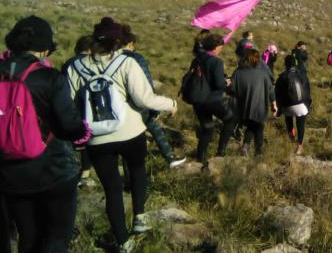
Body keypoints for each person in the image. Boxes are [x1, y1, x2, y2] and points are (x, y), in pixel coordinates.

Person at [66, 17, 177, 253]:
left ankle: (122, 240)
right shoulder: (126, 63)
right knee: (137, 173)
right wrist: (171, 103)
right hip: (131, 132)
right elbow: (144, 99)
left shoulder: (75, 67)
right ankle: (139, 218)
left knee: (112, 189)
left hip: (96, 138)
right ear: (118, 40)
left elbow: (69, 105)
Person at [0, 16, 90, 253]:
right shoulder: (49, 78)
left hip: (9, 174)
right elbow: (70, 126)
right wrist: (83, 135)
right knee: (56, 237)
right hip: (53, 172)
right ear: (44, 48)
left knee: (27, 238)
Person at [120, 26, 186, 168]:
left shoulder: (110, 59)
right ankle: (170, 157)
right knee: (152, 125)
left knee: (127, 141)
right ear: (131, 43)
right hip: (138, 104)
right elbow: (147, 84)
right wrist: (155, 108)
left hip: (118, 107)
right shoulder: (136, 58)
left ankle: (128, 179)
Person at [187, 33, 237, 163]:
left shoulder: (197, 59)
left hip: (197, 100)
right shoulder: (216, 62)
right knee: (230, 120)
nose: (221, 49)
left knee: (207, 128)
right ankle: (221, 154)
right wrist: (227, 82)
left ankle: (200, 158)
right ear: (216, 47)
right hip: (212, 100)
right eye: (221, 46)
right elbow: (219, 85)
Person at [61, 35, 95, 184]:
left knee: (74, 139)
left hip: (73, 105)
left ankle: (73, 170)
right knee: (89, 137)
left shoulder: (69, 64)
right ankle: (86, 171)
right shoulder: (94, 62)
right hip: (92, 105)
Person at [230, 49, 276, 156]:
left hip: (244, 107)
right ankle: (258, 153)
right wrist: (274, 103)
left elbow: (232, 90)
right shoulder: (262, 73)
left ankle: (245, 146)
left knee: (251, 125)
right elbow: (270, 90)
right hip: (260, 106)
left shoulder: (238, 72)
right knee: (259, 127)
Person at [275, 55, 312, 155]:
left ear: (285, 64)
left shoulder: (282, 77)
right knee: (301, 124)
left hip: (288, 107)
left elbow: (278, 94)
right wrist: (308, 105)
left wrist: (279, 109)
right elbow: (308, 91)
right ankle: (299, 145)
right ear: (295, 64)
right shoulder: (303, 75)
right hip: (302, 106)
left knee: (289, 119)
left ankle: (291, 139)